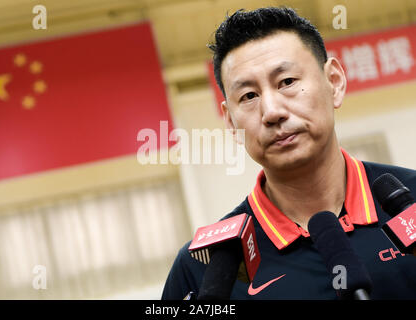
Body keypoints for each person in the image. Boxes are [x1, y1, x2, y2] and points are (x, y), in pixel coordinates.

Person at [162, 7, 416, 299]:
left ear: (334, 82)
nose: (271, 112)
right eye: (248, 96)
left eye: (287, 82)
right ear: (230, 121)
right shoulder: (203, 268)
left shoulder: (411, 203)